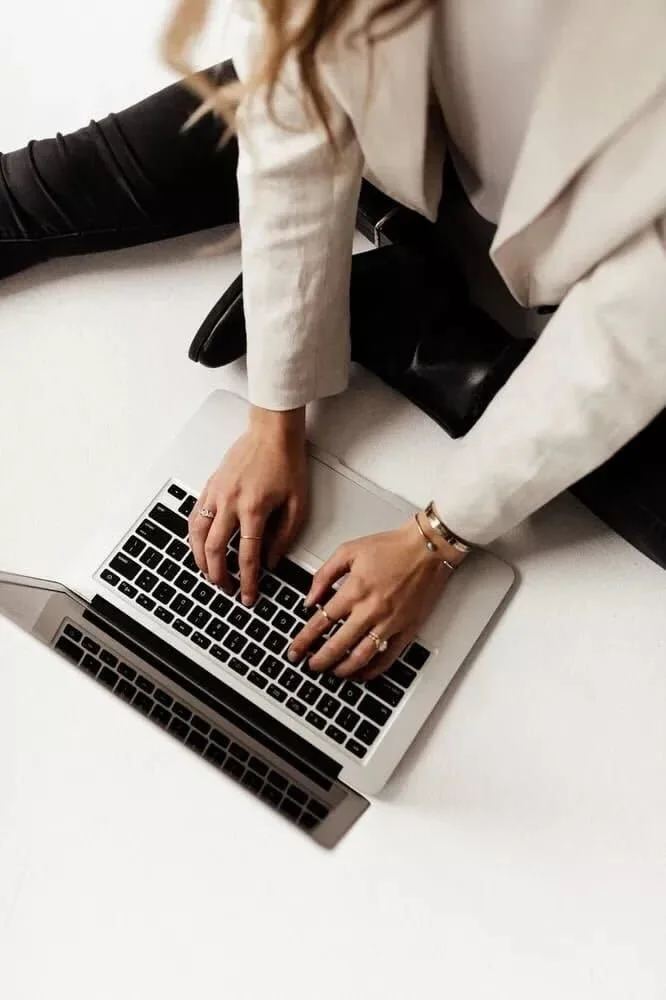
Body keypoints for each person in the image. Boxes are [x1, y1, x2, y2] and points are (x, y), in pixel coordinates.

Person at [3, 0, 666, 681]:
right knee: (67, 183)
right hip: (421, 150)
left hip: (626, 284)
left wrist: (436, 538)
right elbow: (292, 128)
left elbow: (631, 337)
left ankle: (420, 326)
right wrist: (273, 416)